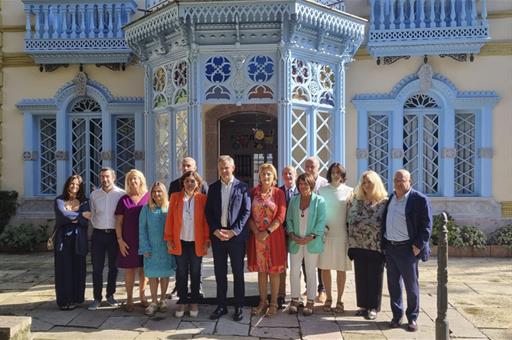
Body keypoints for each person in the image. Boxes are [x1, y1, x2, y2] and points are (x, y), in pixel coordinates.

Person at [382, 169, 432, 332]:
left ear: (410, 181)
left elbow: (427, 225)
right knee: (393, 285)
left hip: (408, 249)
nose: (398, 182)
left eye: (402, 180)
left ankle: (412, 318)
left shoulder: (419, 199)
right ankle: (397, 316)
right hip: (391, 247)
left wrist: (418, 245)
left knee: (411, 286)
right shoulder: (391, 198)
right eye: (396, 179)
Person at [205, 155, 251, 321]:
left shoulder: (243, 187)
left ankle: (239, 306)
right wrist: (215, 230)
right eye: (221, 168)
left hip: (235, 237)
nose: (224, 170)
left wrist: (234, 231)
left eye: (226, 167)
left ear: (233, 168)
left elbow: (247, 212)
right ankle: (221, 305)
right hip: (218, 237)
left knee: (238, 273)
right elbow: (208, 212)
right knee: (220, 272)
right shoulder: (213, 188)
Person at [165, 171, 210, 318]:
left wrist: (206, 240)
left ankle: (194, 301)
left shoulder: (202, 199)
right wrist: (169, 239)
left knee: (196, 273)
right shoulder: (175, 197)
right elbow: (170, 220)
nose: (190, 184)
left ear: (198, 183)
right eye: (187, 181)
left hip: (196, 242)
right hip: (180, 242)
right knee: (181, 273)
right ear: (182, 183)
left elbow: (205, 222)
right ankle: (183, 301)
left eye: (193, 181)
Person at [347, 170, 388, 320]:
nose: (366, 185)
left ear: (376, 183)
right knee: (361, 276)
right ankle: (363, 305)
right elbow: (350, 220)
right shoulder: (357, 201)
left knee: (374, 277)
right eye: (364, 182)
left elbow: (383, 224)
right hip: (358, 245)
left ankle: (373, 308)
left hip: (375, 246)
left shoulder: (384, 202)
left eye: (369, 182)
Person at [247, 163, 287, 317]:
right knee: (261, 271)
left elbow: (281, 215)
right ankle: (262, 302)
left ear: (274, 177)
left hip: (273, 238)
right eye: (263, 173)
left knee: (274, 271)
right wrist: (257, 231)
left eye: (269, 174)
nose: (266, 176)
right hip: (257, 238)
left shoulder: (278, 193)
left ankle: (274, 303)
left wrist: (268, 231)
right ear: (259, 176)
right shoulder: (253, 193)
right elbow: (248, 215)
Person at [286, 173, 326, 316]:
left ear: (311, 185)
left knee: (310, 271)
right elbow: (289, 219)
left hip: (312, 242)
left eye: (306, 184)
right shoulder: (294, 200)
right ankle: (295, 299)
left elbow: (321, 222)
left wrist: (310, 237)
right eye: (301, 184)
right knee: (294, 271)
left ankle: (310, 300)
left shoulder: (319, 201)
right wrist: (292, 235)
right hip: (295, 241)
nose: (303, 187)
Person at [88, 167, 125, 311]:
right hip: (98, 235)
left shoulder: (121, 194)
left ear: (114, 177)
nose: (105, 179)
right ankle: (97, 298)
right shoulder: (94, 195)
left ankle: (110, 295)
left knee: (113, 267)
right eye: (102, 176)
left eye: (107, 176)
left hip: (114, 236)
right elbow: (91, 214)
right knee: (97, 268)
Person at [317, 163, 352, 313]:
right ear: (329, 174)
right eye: (333, 172)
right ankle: (329, 297)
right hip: (326, 234)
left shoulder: (350, 191)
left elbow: (352, 215)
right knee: (325, 267)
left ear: (343, 175)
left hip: (342, 234)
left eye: (338, 172)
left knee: (340, 268)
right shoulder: (322, 190)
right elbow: (318, 212)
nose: (335, 175)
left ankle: (340, 299)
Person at [53, 175, 91, 310]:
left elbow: (86, 221)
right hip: (62, 239)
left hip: (79, 239)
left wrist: (76, 217)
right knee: (64, 269)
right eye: (72, 184)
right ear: (67, 185)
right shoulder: (59, 200)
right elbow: (62, 217)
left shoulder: (85, 201)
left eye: (77, 184)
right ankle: (64, 301)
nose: (74, 186)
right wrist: (80, 216)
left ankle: (77, 299)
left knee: (78, 269)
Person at [139, 181, 176, 316]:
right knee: (153, 275)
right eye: (154, 191)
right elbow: (142, 229)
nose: (156, 194)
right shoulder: (146, 209)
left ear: (164, 192)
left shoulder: (169, 207)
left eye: (159, 191)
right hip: (151, 247)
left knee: (165, 274)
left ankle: (162, 300)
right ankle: (153, 302)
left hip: (166, 247)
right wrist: (144, 247)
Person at [115, 169, 150, 312]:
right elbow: (118, 222)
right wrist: (120, 241)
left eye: (135, 178)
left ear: (141, 180)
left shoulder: (149, 197)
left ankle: (142, 296)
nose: (133, 181)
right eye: (130, 180)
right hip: (128, 240)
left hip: (145, 239)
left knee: (144, 269)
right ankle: (129, 298)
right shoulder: (123, 199)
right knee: (129, 270)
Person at [303, 156, 328, 303]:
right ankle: (308, 285)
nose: (309, 169)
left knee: (320, 261)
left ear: (318, 168)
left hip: (320, 228)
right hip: (305, 227)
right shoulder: (303, 182)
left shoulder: (324, 184)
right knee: (305, 260)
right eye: (307, 166)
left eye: (312, 166)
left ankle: (322, 289)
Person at [277, 165, 298, 309]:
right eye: (285, 174)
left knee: (298, 266)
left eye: (290, 173)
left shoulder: (301, 190)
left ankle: (297, 295)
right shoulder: (278, 192)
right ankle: (281, 294)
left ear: (295, 175)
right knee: (282, 265)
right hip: (282, 234)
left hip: (298, 233)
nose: (288, 176)